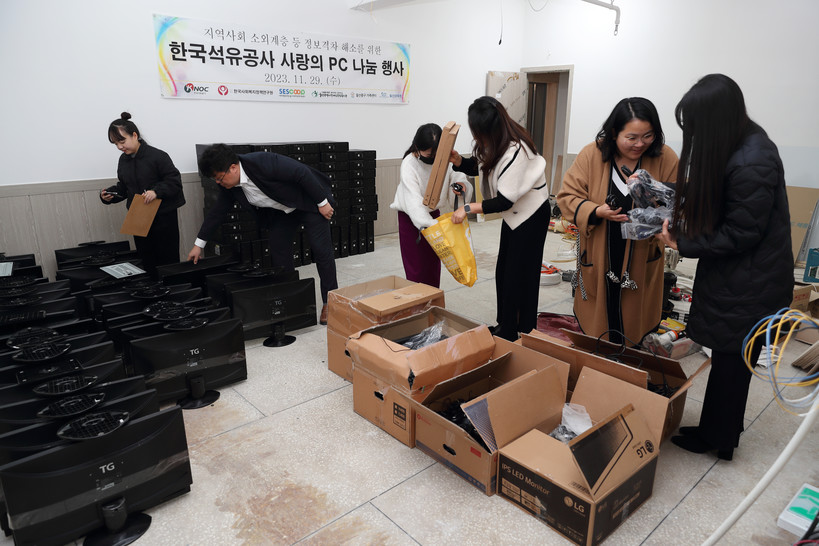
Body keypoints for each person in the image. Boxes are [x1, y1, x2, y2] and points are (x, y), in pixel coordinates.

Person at [656, 74, 793, 460]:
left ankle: (720, 439)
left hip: (751, 279)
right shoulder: (741, 145)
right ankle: (716, 432)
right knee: (728, 357)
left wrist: (682, 243)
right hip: (741, 275)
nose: (694, 135)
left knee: (733, 361)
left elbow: (741, 232)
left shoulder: (753, 158)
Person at [556, 98, 678, 345]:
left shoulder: (665, 157)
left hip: (642, 254)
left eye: (648, 136)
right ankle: (600, 358)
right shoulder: (592, 154)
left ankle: (629, 356)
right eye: (631, 137)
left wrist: (654, 207)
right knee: (600, 318)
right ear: (614, 133)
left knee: (634, 318)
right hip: (600, 250)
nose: (640, 144)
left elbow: (679, 204)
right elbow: (566, 197)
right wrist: (596, 211)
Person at [188, 143, 338, 325]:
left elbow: (301, 173)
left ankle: (331, 302)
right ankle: (292, 298)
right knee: (278, 248)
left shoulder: (263, 162)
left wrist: (322, 203)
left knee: (321, 250)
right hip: (282, 210)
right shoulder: (230, 187)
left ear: (233, 168)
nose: (219, 183)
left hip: (309, 202)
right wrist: (198, 245)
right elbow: (217, 213)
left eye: (219, 178)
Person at [450, 96, 550, 342]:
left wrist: (468, 208)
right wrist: (459, 161)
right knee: (505, 271)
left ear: (487, 129)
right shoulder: (497, 142)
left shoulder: (517, 151)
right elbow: (483, 166)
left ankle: (523, 330)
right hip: (516, 215)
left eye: (476, 131)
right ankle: (507, 325)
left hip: (531, 215)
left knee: (521, 274)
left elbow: (504, 201)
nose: (476, 137)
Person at [101, 112, 185, 278]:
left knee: (167, 261)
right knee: (146, 261)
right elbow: (124, 187)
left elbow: (174, 182)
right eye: (116, 144)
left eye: (122, 141)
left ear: (135, 135)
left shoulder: (158, 156)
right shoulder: (123, 160)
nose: (119, 147)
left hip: (163, 218)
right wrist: (110, 196)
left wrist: (156, 192)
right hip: (138, 216)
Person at [390, 123, 473, 288]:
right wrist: (433, 227)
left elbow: (456, 176)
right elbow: (413, 202)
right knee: (416, 269)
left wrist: (460, 185)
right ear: (417, 147)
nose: (433, 158)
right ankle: (418, 302)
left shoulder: (443, 158)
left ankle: (433, 300)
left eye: (436, 153)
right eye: (429, 154)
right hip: (411, 219)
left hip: (433, 216)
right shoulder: (409, 163)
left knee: (433, 266)